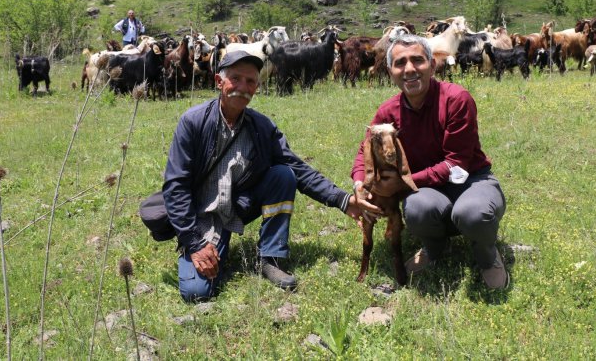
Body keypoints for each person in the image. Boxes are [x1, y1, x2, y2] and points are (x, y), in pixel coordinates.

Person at [163, 50, 380, 302]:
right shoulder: (193, 122)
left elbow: (297, 168)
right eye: (236, 78)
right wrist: (194, 243)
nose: (243, 87)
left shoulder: (261, 127)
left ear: (256, 87)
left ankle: (270, 257)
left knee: (283, 175)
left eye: (251, 81)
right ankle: (211, 245)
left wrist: (343, 201)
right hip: (203, 214)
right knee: (196, 293)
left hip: (237, 206)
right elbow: (176, 187)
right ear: (218, 81)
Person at [351, 34, 509, 289]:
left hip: (470, 179)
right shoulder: (388, 111)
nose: (409, 69)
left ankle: (487, 255)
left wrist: (404, 183)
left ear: (432, 65)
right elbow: (365, 149)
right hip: (428, 188)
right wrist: (359, 184)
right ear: (390, 71)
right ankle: (434, 246)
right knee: (416, 209)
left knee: (472, 213)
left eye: (417, 60)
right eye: (400, 63)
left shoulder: (456, 99)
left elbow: (456, 163)